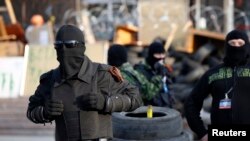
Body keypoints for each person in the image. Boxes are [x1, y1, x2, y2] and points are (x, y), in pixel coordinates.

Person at [26, 25, 142, 141]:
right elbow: (31, 111)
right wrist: (44, 112)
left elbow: (135, 98)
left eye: (70, 45)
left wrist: (106, 102)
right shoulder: (50, 80)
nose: (64, 50)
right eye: (59, 45)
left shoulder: (102, 75)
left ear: (81, 47)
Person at [185, 29, 250, 141]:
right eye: (232, 43)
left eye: (240, 43)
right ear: (226, 47)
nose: (236, 46)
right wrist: (202, 133)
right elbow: (192, 103)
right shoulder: (213, 74)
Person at [134, 42, 175, 107]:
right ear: (151, 55)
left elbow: (169, 87)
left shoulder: (163, 68)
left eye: (163, 54)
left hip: (166, 107)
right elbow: (146, 93)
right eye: (158, 54)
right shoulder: (141, 70)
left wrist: (171, 101)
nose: (161, 57)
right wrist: (158, 76)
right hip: (150, 109)